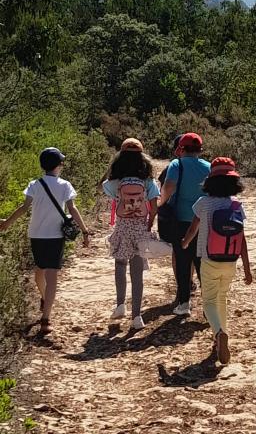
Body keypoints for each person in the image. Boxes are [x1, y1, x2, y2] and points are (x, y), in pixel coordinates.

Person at [0, 147, 90, 334]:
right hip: (55, 236)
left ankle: (44, 299)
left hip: (36, 234)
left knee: (39, 272)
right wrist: (85, 231)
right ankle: (46, 318)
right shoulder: (65, 185)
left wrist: (7, 223)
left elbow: (24, 208)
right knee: (52, 275)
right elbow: (72, 209)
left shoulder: (35, 184)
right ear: (58, 165)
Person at [182, 157, 252, 364]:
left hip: (209, 259)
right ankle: (220, 337)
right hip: (230, 261)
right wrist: (247, 269)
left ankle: (219, 333)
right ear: (234, 183)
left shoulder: (203, 203)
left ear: (210, 181)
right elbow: (243, 239)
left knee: (209, 301)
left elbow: (193, 228)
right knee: (222, 299)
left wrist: (185, 243)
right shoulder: (236, 205)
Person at [102, 138, 159, 330]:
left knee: (119, 264)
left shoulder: (116, 182)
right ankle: (137, 316)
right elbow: (153, 206)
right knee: (137, 273)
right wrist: (149, 224)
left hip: (122, 228)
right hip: (140, 229)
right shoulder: (148, 181)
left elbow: (108, 191)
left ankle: (120, 305)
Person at [159, 133, 210, 316]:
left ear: (182, 148)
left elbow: (168, 187)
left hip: (181, 221)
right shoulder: (208, 167)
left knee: (182, 261)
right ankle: (208, 305)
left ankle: (184, 303)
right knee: (202, 263)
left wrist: (160, 204)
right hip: (203, 221)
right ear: (199, 149)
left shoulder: (176, 164)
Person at [158, 134, 197, 294]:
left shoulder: (172, 167)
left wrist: (159, 205)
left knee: (179, 252)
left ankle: (183, 286)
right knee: (195, 253)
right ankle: (190, 281)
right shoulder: (204, 165)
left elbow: (164, 190)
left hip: (178, 217)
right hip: (199, 216)